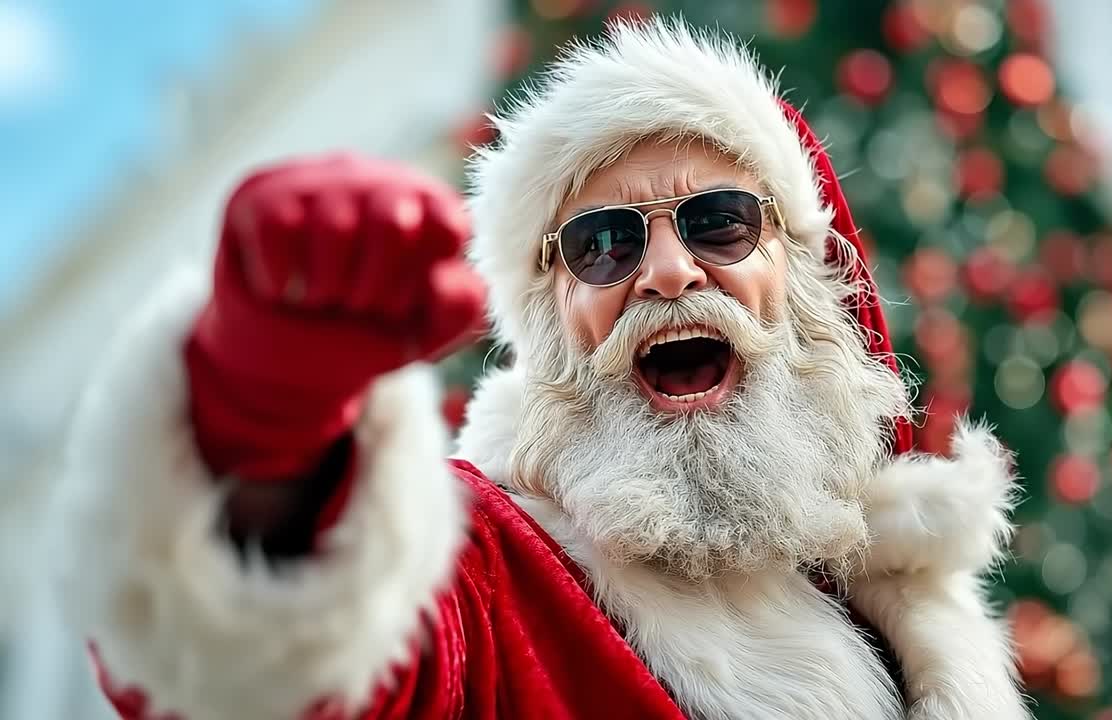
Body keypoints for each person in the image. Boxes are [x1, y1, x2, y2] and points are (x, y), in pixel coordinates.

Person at [51, 19, 1030, 720]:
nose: (666, 272)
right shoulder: (487, 563)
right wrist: (266, 429)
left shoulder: (901, 608)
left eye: (718, 221)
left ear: (806, 275)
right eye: (601, 244)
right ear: (550, 317)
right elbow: (291, 680)